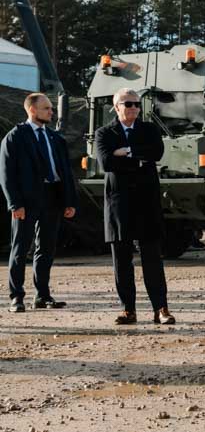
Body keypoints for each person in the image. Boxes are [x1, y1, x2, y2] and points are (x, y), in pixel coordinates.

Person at [95, 88, 175, 326]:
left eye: (137, 104)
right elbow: (107, 162)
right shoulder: (104, 133)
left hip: (146, 202)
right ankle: (128, 309)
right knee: (122, 259)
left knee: (152, 258)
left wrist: (126, 153)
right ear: (116, 106)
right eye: (128, 104)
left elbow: (157, 153)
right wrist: (139, 159)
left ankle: (161, 308)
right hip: (119, 204)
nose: (133, 108)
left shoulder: (149, 130)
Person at [1, 93, 77, 312]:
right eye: (46, 108)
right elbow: (6, 174)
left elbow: (65, 172)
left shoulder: (55, 138)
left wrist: (69, 201)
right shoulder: (16, 137)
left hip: (53, 197)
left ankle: (42, 296)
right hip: (27, 200)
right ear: (32, 110)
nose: (51, 112)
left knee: (46, 248)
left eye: (52, 108)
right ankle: (16, 297)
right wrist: (15, 204)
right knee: (20, 247)